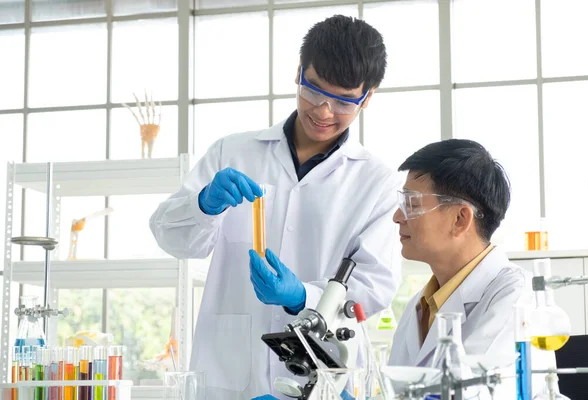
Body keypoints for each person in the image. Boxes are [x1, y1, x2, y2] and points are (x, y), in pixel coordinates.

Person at [149, 15, 401, 400]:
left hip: (322, 379)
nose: (324, 111)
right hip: (228, 375)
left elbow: (374, 287)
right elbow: (171, 237)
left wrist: (302, 297)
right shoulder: (232, 152)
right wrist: (204, 204)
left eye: (343, 101)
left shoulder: (375, 183)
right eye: (314, 91)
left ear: (367, 98)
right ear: (299, 72)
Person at [388, 139, 549, 397]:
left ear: (460, 219)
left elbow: (473, 393)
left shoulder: (517, 299)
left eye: (412, 204)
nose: (397, 217)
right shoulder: (420, 307)